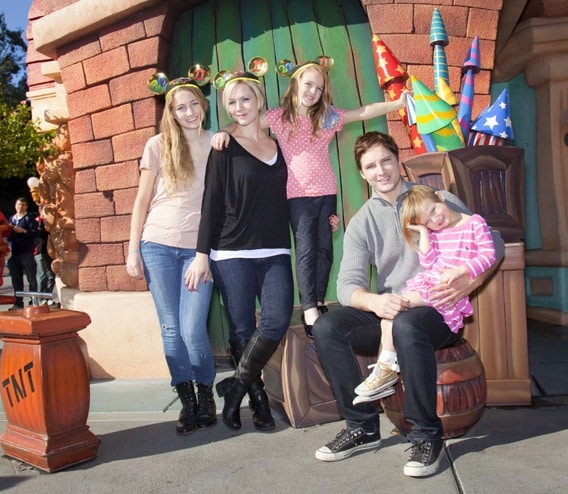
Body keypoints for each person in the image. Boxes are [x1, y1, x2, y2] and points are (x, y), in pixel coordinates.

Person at [311, 131, 504, 477]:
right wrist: (374, 301)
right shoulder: (361, 223)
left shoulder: (434, 198)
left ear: (398, 160)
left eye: (386, 160)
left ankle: (427, 435)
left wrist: (468, 283)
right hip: (392, 308)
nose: (380, 170)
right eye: (370, 166)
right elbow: (347, 285)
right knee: (327, 327)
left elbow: (494, 239)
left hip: (437, 310)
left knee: (407, 324)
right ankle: (362, 427)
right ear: (362, 173)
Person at [213, 61, 408, 337]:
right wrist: (224, 131)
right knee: (306, 249)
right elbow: (246, 121)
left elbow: (362, 111)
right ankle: (308, 308)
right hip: (298, 195)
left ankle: (317, 299)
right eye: (308, 84)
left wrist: (396, 103)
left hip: (327, 193)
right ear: (295, 84)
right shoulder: (280, 117)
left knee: (324, 249)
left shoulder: (327, 117)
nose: (313, 91)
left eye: (319, 87)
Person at [186, 71, 293, 432]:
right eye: (231, 102)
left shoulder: (279, 143)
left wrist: (324, 216)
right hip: (230, 250)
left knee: (277, 319)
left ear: (259, 100)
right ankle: (258, 398)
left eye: (245, 99)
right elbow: (211, 201)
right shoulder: (224, 145)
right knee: (243, 326)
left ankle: (235, 390)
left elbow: (292, 192)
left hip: (275, 248)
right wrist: (202, 254)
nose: (239, 107)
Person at [126, 78, 217, 436]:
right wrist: (133, 249)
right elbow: (142, 200)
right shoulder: (158, 144)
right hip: (157, 245)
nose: (190, 112)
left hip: (197, 252)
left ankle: (206, 393)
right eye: (181, 107)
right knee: (170, 329)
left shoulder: (216, 142)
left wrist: (204, 254)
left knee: (193, 330)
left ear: (202, 104)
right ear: (171, 112)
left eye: (194, 104)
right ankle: (187, 400)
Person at [353, 184, 496, 404]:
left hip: (444, 291)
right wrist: (424, 234)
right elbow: (428, 262)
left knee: (395, 305)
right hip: (430, 283)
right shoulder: (436, 233)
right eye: (427, 221)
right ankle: (385, 368)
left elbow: (489, 255)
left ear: (440, 198)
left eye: (434, 210)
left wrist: (461, 271)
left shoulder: (474, 223)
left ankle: (385, 371)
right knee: (388, 316)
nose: (435, 220)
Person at [7, 197, 39, 310]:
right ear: (15, 205)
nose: (21, 207)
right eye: (19, 204)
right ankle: (18, 303)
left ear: (26, 206)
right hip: (14, 252)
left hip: (26, 252)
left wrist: (24, 231)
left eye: (23, 205)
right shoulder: (12, 218)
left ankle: (34, 301)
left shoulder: (29, 218)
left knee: (31, 278)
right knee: (16, 279)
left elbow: (36, 233)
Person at [34, 205, 56, 304]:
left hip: (50, 251)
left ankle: (48, 296)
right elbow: (38, 234)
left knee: (51, 275)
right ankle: (41, 297)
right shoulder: (36, 221)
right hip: (39, 251)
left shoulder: (52, 221)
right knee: (42, 275)